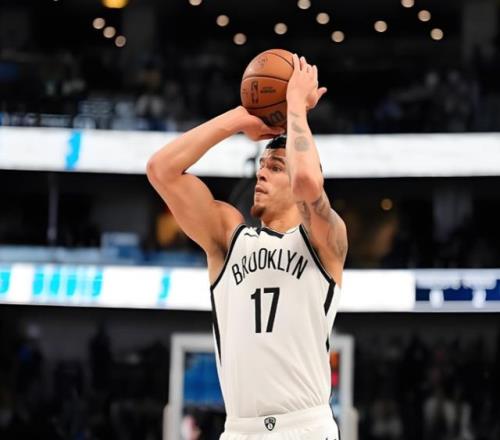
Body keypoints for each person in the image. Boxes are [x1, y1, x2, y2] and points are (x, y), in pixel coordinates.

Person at [147, 54, 348, 440]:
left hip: (305, 426)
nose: (261, 174)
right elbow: (161, 170)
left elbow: (307, 182)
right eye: (261, 166)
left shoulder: (325, 240)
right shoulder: (229, 237)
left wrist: (295, 104)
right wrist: (238, 119)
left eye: (276, 167)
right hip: (240, 430)